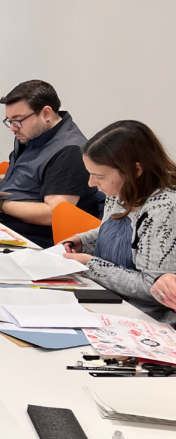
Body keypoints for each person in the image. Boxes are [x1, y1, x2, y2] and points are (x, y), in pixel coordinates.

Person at [0, 80, 102, 248]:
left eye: (18, 120)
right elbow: (25, 182)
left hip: (34, 241)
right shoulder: (31, 135)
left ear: (46, 113)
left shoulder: (69, 151)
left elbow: (53, 213)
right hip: (3, 227)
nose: (13, 128)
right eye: (9, 120)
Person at [59, 121, 176, 321]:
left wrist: (91, 265)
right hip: (105, 294)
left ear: (135, 171)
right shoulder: (120, 190)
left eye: (99, 176)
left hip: (142, 315)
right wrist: (83, 241)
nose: (91, 183)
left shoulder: (165, 210)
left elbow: (153, 288)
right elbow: (116, 230)